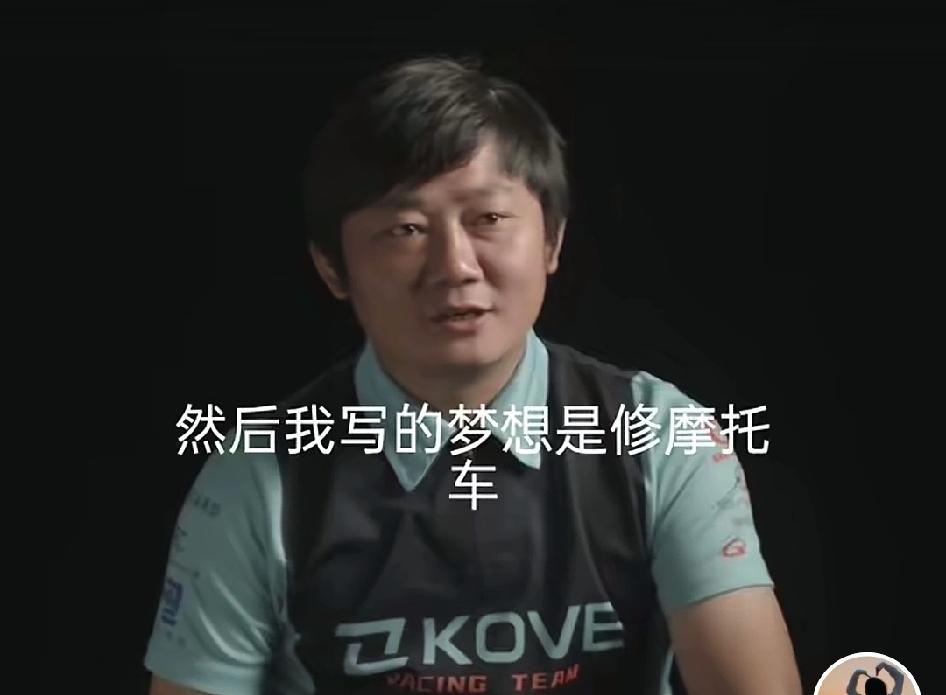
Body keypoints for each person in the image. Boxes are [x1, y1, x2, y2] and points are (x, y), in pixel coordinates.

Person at [144, 55, 802, 695]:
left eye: (488, 219)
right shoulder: (260, 476)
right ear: (332, 268)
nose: (455, 266)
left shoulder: (661, 435)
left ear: (552, 240)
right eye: (405, 228)